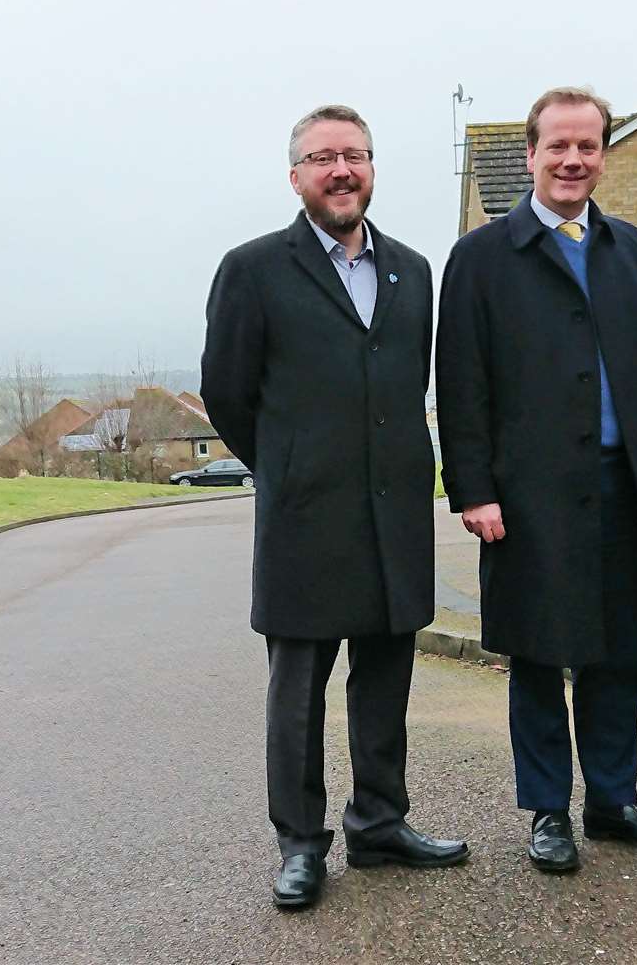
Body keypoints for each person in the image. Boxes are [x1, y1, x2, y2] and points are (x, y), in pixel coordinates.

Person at [201, 104, 468, 910]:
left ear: (373, 168)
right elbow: (226, 392)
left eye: (353, 155)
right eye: (322, 158)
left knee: (384, 680)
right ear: (296, 177)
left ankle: (380, 825)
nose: (340, 170)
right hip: (305, 517)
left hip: (394, 516)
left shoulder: (414, 269)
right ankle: (301, 844)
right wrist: (285, 464)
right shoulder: (252, 269)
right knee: (299, 692)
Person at [436, 87, 637, 874]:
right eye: (557, 145)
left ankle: (613, 801)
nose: (572, 159)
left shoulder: (630, 250)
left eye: (587, 146)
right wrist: (474, 488)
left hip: (626, 487)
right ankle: (548, 811)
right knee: (538, 653)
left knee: (617, 654)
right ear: (530, 154)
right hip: (529, 497)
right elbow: (461, 381)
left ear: (602, 154)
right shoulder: (483, 259)